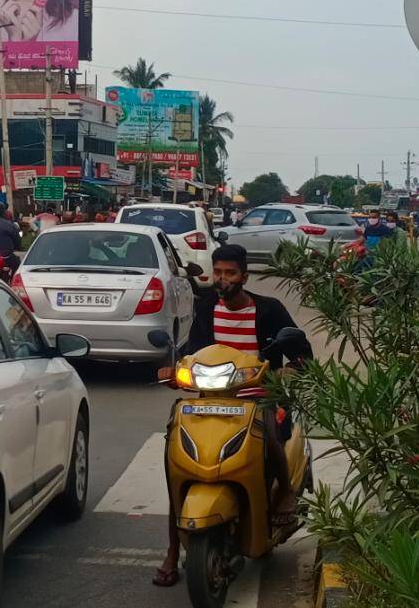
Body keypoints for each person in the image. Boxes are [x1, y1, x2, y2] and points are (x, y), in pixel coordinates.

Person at [153, 243, 312, 588]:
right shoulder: (208, 307)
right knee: (174, 455)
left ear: (244, 276)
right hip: (210, 396)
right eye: (218, 273)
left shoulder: (269, 311)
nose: (222, 280)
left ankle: (284, 490)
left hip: (257, 397)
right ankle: (170, 550)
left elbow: (302, 353)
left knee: (268, 427)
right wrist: (173, 369)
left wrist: (289, 373)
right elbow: (192, 351)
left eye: (230, 273)